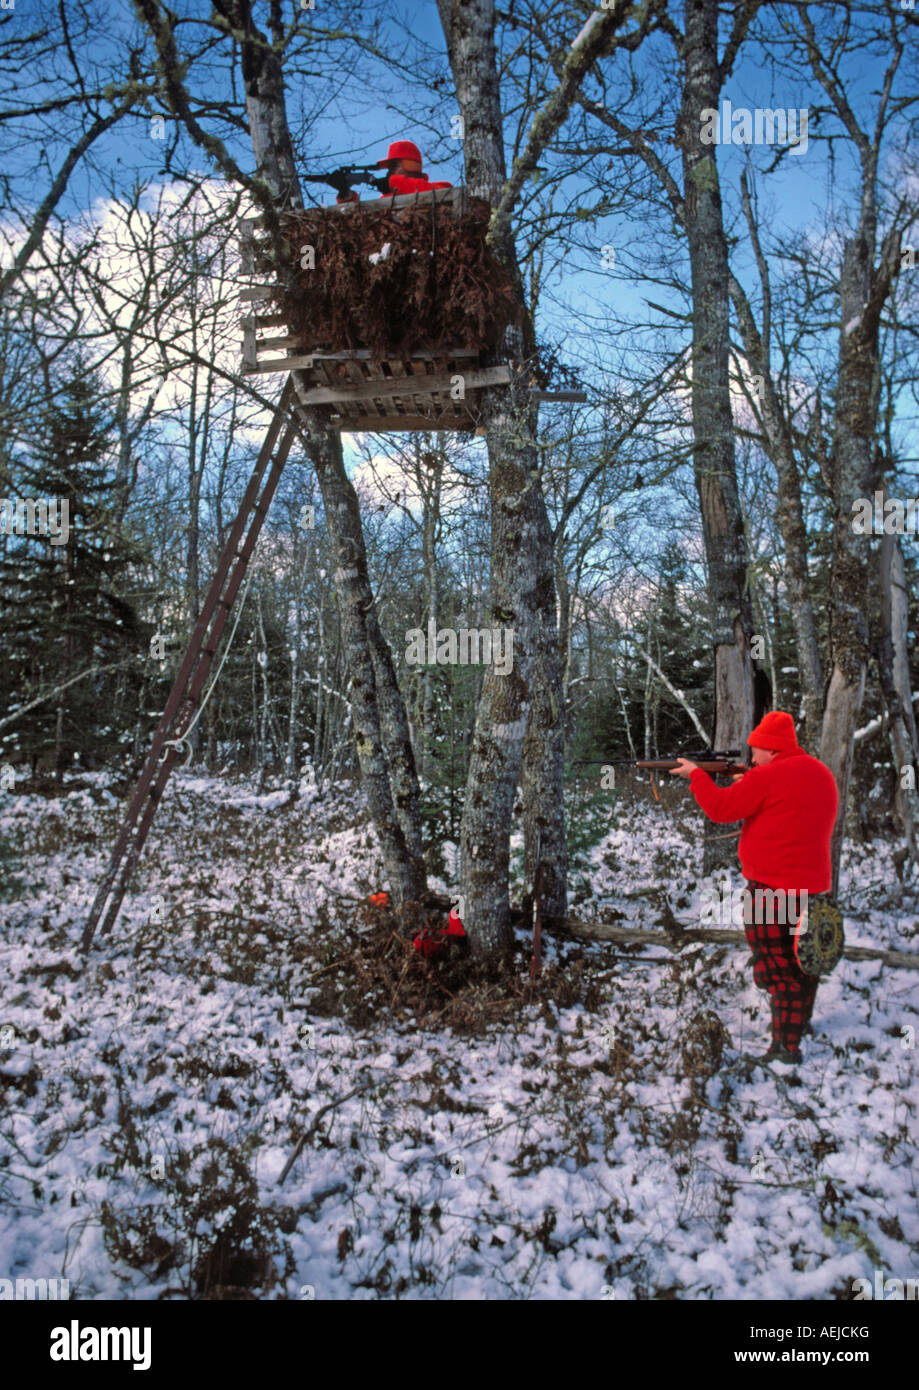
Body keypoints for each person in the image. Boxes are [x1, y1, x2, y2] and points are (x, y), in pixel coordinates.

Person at [670, 711, 839, 1070]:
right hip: (813, 891)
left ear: (770, 748)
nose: (752, 758)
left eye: (756, 751)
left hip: (769, 890)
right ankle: (797, 1024)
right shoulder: (821, 774)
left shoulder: (766, 776)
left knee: (776, 967)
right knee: (804, 962)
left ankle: (785, 1049)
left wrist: (697, 776)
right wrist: (751, 780)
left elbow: (719, 809)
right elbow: (792, 812)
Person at [336, 140, 452, 204]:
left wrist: (391, 183)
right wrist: (347, 197)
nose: (389, 172)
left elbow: (443, 193)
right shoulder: (385, 199)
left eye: (393, 166)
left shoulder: (441, 188)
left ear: (409, 166)